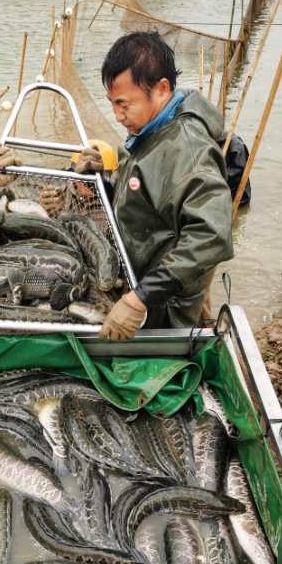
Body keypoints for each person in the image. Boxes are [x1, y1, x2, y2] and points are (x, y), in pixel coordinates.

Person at [41, 31, 234, 341]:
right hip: (138, 282)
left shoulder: (188, 148)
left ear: (160, 89)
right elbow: (151, 195)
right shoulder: (153, 131)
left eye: (123, 104)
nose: (117, 116)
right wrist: (107, 180)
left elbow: (210, 235)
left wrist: (139, 298)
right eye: (112, 104)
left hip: (164, 308)